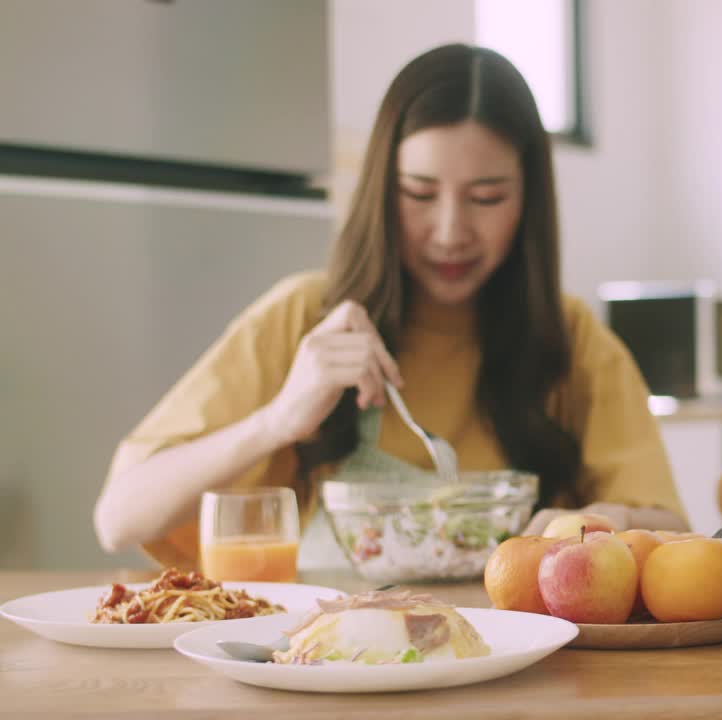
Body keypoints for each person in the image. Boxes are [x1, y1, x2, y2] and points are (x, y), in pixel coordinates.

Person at [94, 44, 688, 569]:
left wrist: (598, 521)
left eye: (487, 197)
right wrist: (278, 420)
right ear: (381, 189)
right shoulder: (305, 318)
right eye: (419, 194)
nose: (451, 232)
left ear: (529, 201)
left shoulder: (573, 340)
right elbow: (118, 519)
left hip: (517, 681)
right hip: (328, 672)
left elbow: (676, 537)